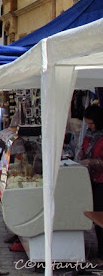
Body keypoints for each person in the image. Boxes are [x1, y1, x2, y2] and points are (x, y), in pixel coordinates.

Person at [78, 105, 103, 258]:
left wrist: (93, 162)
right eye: (87, 123)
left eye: (91, 123)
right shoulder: (89, 134)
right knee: (95, 217)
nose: (89, 126)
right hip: (91, 179)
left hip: (101, 180)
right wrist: (81, 152)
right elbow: (84, 148)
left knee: (100, 216)